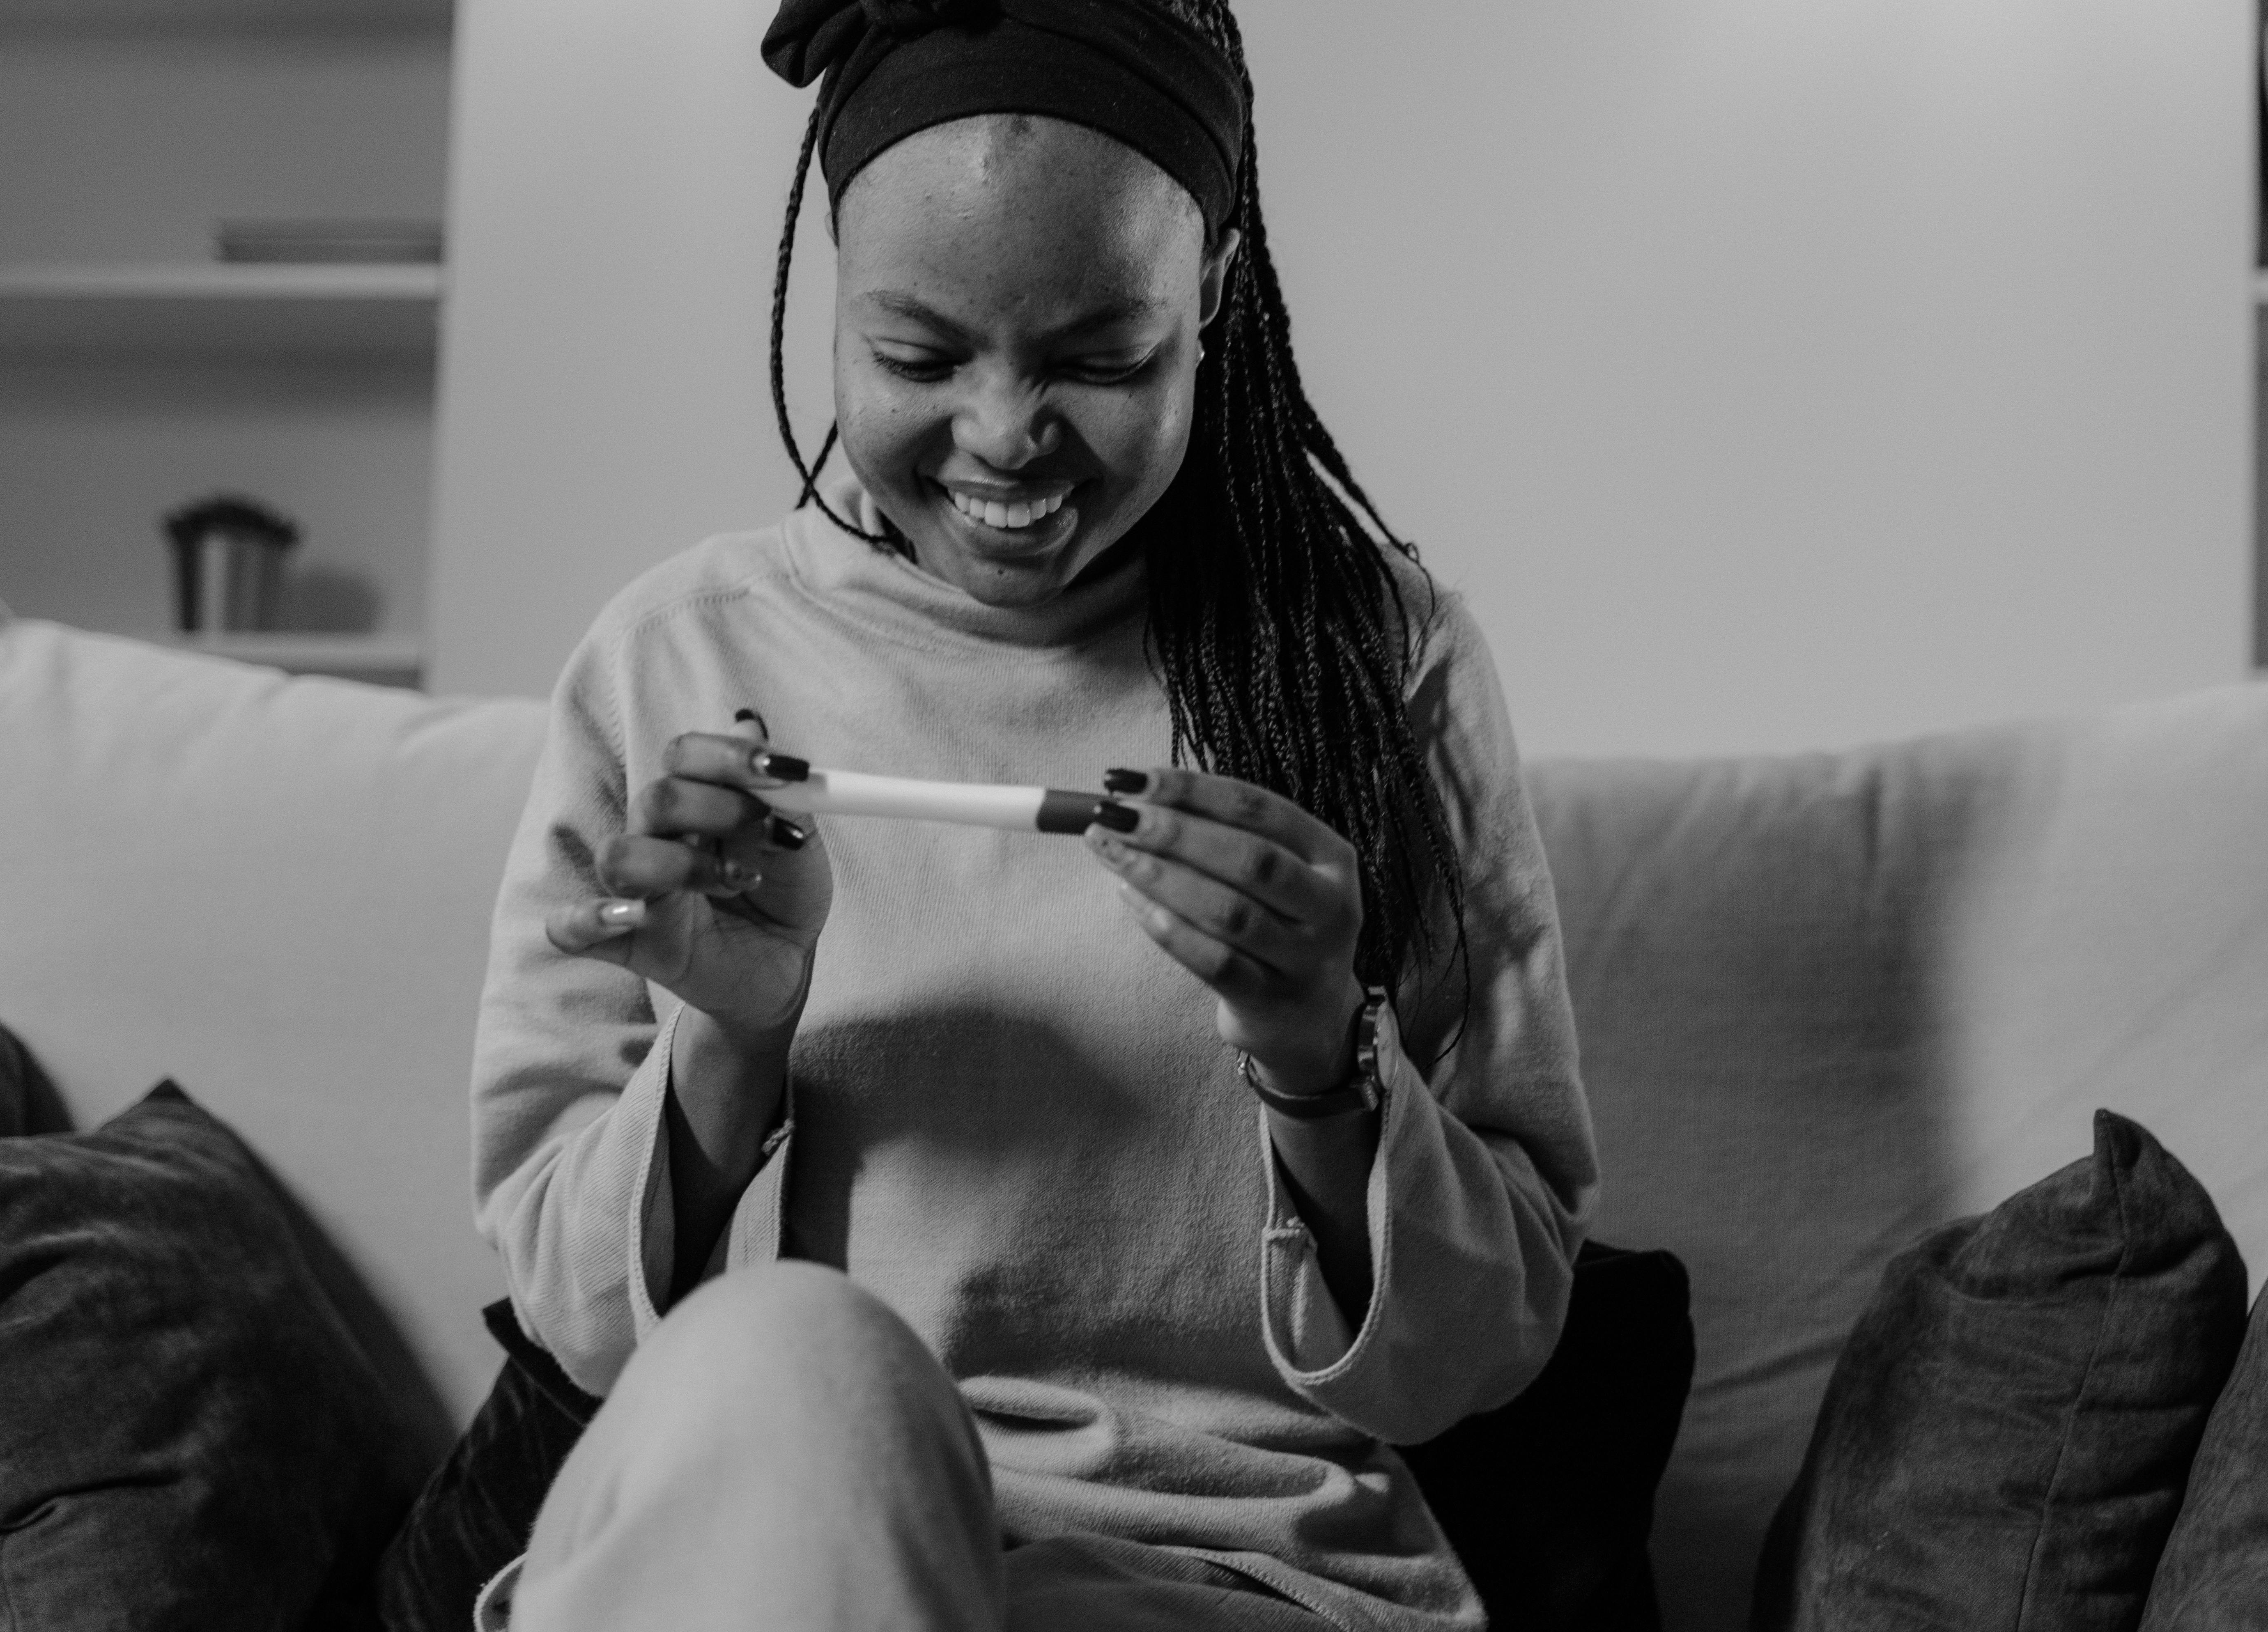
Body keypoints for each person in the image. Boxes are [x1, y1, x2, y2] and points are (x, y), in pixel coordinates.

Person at [467, 1, 1598, 1627]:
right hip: (765, 1529)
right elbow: (579, 1322)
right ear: (834, 290)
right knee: (794, 1355)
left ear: (1207, 293)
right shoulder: (676, 663)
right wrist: (727, 1042)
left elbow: (1490, 1344)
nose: (1005, 437)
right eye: (919, 356)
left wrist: (1314, 1052)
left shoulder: (1377, 666)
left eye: (1098, 358)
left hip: (1224, 1579)